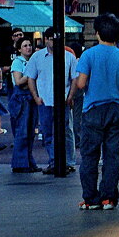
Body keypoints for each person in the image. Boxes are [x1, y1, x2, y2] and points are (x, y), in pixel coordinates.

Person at [73, 13, 119, 210]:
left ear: (97, 33)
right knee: (112, 156)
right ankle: (108, 198)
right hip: (115, 109)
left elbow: (81, 83)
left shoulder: (88, 55)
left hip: (93, 109)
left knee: (90, 156)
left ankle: (91, 199)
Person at [26, 27, 78, 174]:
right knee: (48, 132)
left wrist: (70, 96)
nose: (54, 43)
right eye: (51, 39)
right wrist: (36, 97)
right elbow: (31, 77)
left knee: (66, 131)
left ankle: (68, 161)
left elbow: (74, 79)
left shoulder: (69, 57)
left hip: (63, 101)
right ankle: (54, 161)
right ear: (46, 40)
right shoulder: (37, 57)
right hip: (45, 100)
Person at [8, 37, 38, 173]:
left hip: (31, 97)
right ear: (19, 49)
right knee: (22, 131)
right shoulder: (17, 62)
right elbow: (18, 81)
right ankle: (20, 163)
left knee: (30, 131)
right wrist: (31, 75)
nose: (28, 48)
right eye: (25, 46)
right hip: (21, 98)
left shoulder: (32, 61)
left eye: (30, 45)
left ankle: (28, 161)